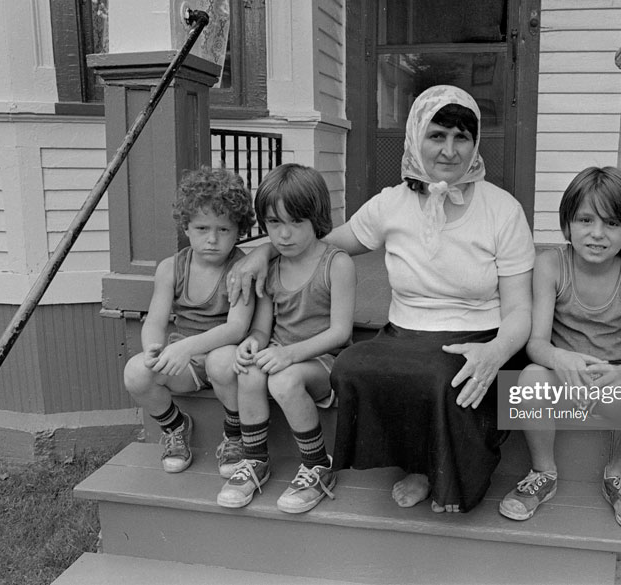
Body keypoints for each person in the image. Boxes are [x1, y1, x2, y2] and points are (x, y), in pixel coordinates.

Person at [228, 85, 535, 513]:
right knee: (352, 365)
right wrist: (262, 252)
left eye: (461, 137)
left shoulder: (503, 210)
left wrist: (496, 351)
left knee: (445, 379)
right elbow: (324, 244)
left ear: (475, 142)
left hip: (478, 335)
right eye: (437, 135)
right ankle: (408, 461)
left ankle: (436, 473)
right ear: (415, 137)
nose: (449, 150)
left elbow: (521, 309)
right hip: (406, 333)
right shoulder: (391, 203)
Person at [498, 166, 621, 531]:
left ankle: (618, 477)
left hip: (617, 385)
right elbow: (536, 344)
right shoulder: (551, 264)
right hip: (564, 383)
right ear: (567, 224)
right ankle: (543, 472)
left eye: (612, 224)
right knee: (531, 378)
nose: (597, 234)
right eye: (585, 219)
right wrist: (559, 358)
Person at [208, 164, 356, 513]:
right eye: (274, 223)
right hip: (281, 354)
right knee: (248, 369)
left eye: (295, 223)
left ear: (316, 218)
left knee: (284, 381)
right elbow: (262, 328)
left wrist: (289, 355)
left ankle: (318, 465)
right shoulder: (270, 268)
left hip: (323, 361)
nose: (284, 235)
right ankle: (255, 459)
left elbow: (341, 332)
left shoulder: (336, 263)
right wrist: (253, 344)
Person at [122, 167, 255, 473]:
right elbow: (155, 320)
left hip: (228, 360)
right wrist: (155, 350)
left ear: (239, 230)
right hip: (188, 363)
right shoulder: (172, 268)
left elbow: (237, 328)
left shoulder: (243, 268)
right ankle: (175, 427)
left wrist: (186, 348)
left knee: (220, 360)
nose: (212, 239)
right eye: (202, 228)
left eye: (223, 230)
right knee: (136, 372)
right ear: (186, 226)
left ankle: (235, 435)